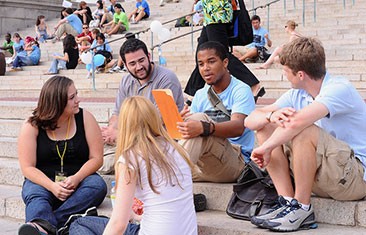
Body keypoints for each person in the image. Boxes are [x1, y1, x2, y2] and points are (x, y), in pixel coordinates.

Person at [245, 37, 366, 232]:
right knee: (265, 126)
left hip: (354, 178)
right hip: (324, 173)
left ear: (300, 74)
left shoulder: (339, 88)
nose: (284, 76)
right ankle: (288, 203)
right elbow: (250, 120)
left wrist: (265, 149)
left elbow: (297, 123)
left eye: (285, 72)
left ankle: (302, 209)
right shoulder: (297, 94)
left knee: (304, 130)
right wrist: (271, 117)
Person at [69, 96, 197, 235]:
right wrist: (135, 216)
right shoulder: (178, 150)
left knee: (79, 223)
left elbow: (118, 225)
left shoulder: (131, 158)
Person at [17, 76, 107, 235]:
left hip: (78, 180)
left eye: (76, 94)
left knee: (97, 185)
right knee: (35, 194)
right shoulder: (31, 125)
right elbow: (27, 167)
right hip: (43, 181)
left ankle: (42, 227)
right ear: (57, 102)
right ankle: (58, 223)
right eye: (72, 98)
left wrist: (77, 178)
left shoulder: (85, 118)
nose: (78, 100)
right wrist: (52, 186)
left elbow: (97, 158)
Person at [99, 38, 184, 174]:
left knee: (105, 163)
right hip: (132, 137)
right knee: (91, 146)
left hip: (158, 140)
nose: (138, 67)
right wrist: (109, 131)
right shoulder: (126, 81)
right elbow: (117, 114)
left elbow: (156, 122)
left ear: (149, 57)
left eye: (141, 60)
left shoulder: (166, 79)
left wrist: (120, 135)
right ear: (125, 65)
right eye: (132, 63)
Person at [178, 41, 255, 183]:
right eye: (201, 64)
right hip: (205, 164)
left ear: (225, 63)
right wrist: (182, 124)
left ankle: (171, 176)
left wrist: (205, 127)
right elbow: (194, 132)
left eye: (211, 62)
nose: (205, 68)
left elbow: (238, 127)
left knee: (200, 121)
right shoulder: (201, 94)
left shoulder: (240, 90)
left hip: (235, 161)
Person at [184, 0, 261, 102]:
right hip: (210, 14)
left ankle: (253, 84)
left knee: (222, 54)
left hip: (217, 12)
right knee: (201, 54)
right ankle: (193, 93)